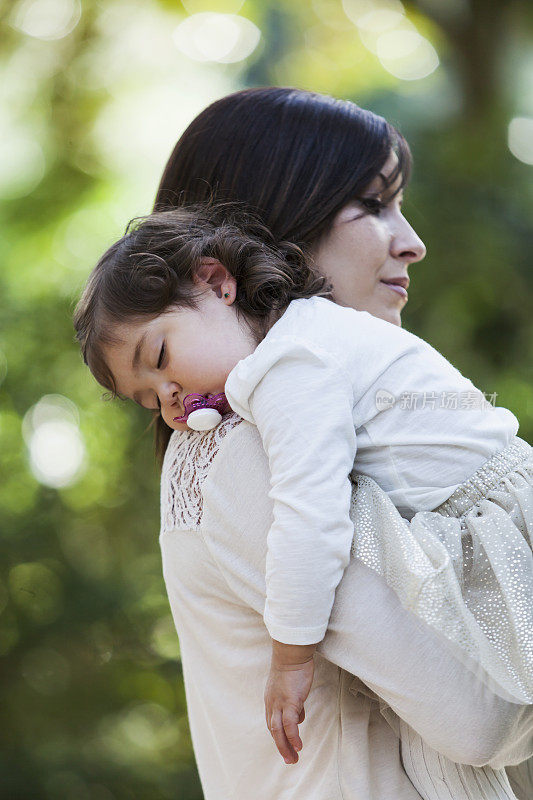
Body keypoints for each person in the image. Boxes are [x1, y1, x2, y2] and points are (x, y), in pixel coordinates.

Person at [76, 89, 532, 799]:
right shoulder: (241, 451)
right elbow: (483, 719)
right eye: (374, 205)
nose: (411, 241)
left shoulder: (298, 413)